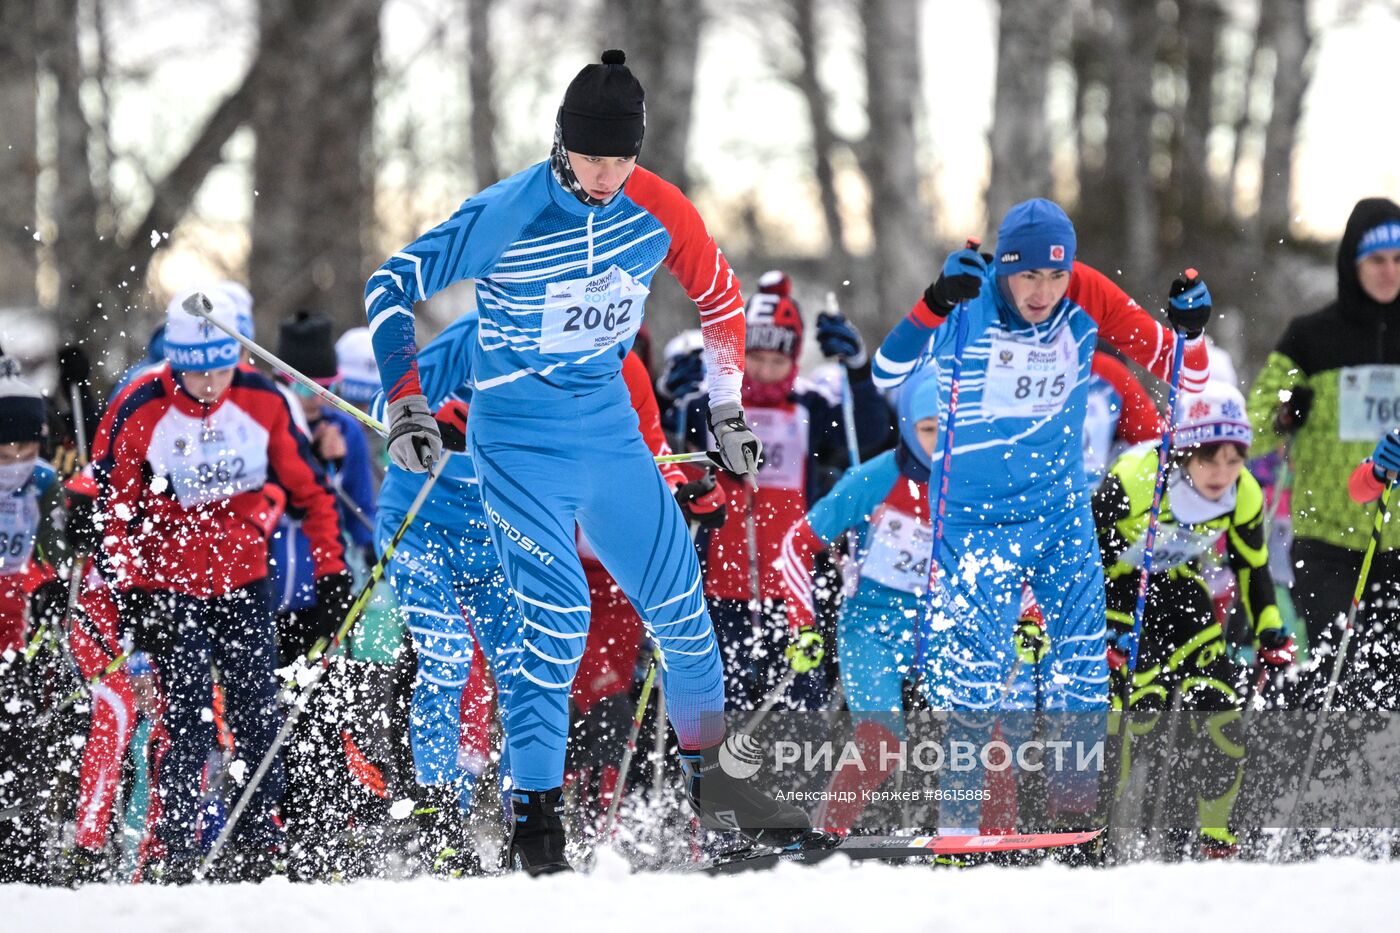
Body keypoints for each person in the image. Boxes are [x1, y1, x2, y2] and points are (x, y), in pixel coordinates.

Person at [365, 50, 809, 873]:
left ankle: (721, 806)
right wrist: (407, 402)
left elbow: (720, 299)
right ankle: (537, 821)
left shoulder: (657, 205)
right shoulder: (506, 211)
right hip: (518, 438)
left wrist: (723, 405)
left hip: (607, 431)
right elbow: (389, 286)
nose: (607, 177)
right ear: (562, 145)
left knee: (683, 611)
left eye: (622, 158)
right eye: (592, 158)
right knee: (558, 621)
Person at [90, 292, 353, 882]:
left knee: (257, 715)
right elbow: (111, 509)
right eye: (195, 371)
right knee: (184, 721)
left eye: (220, 369)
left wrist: (332, 575)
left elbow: (312, 494)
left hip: (244, 581)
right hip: (168, 586)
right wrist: (131, 590)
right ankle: (177, 849)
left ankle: (260, 844)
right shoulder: (140, 405)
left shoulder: (263, 401)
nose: (208, 385)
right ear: (174, 363)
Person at [668, 272, 890, 709]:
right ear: (737, 354)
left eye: (778, 362)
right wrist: (669, 394)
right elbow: (664, 447)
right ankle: (715, 777)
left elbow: (869, 434)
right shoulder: (709, 405)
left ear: (794, 361)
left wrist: (859, 372)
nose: (766, 372)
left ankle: (793, 778)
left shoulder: (810, 406)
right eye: (755, 358)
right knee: (720, 701)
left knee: (795, 702)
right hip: (717, 585)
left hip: (792, 589)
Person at [1093, 381, 1292, 856]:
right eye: (1209, 458)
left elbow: (1251, 566)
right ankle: (1101, 831)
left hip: (1182, 590)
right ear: (1183, 452)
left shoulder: (1243, 491)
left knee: (1220, 703)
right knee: (1135, 715)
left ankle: (1215, 836)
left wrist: (1268, 627)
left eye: (1234, 458)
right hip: (1120, 590)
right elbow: (1084, 559)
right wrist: (1100, 626)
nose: (1222, 473)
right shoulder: (1137, 476)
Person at [1246, 197, 1400, 709]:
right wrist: (1289, 410)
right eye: (1377, 259)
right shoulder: (1311, 337)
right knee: (1348, 672)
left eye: (1399, 259)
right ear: (1353, 263)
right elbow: (1258, 422)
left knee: (1390, 679)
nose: (1389, 271)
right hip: (1329, 542)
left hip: (1398, 547)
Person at [776, 365, 938, 831]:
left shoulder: (971, 481)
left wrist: (1028, 615)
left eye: (949, 430)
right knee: (881, 741)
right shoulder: (873, 479)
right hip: (873, 628)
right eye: (928, 430)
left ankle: (989, 841)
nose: (938, 444)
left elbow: (1009, 554)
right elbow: (795, 544)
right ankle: (825, 834)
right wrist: (802, 625)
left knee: (978, 734)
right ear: (908, 424)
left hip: (941, 626)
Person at [0, 357, 65, 882]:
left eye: (25, 449)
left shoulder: (44, 484)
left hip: (25, 636)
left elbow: (59, 555)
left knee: (22, 741)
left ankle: (22, 855)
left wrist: (50, 586)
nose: (16, 460)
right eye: (4, 451)